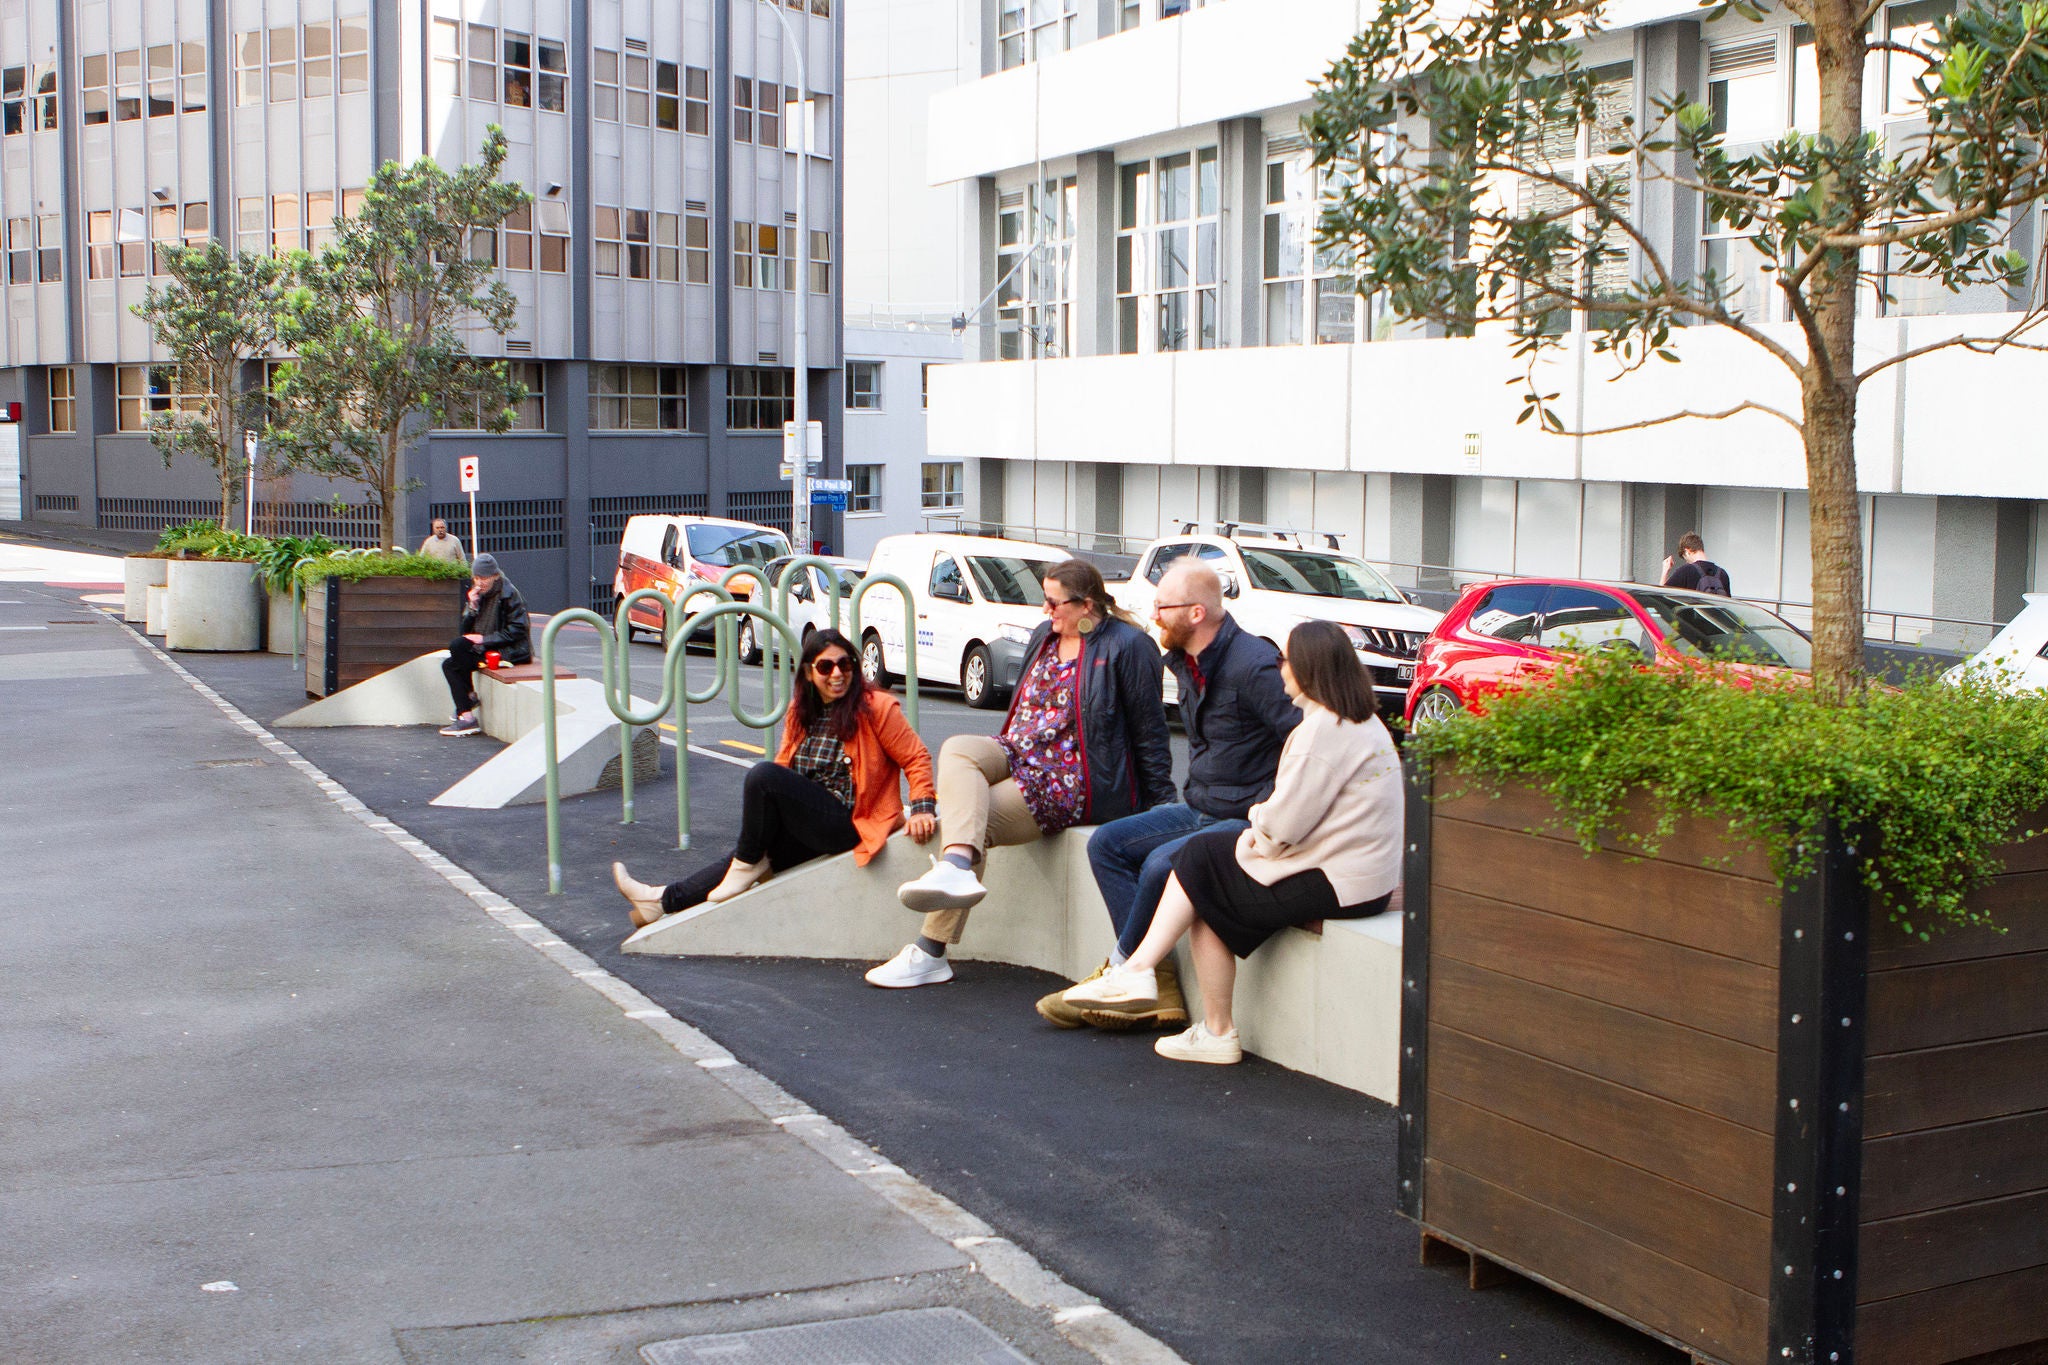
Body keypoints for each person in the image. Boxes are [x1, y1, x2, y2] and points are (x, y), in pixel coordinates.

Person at [1062, 620, 1403, 1065]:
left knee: (1202, 860)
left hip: (1340, 882)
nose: (1280, 668)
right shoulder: (1362, 722)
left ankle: (1149, 978)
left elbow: (1279, 828)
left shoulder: (1321, 731)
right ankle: (1188, 1010)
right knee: (1202, 877)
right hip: (1361, 879)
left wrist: (1254, 821)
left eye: (1286, 659)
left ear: (1307, 669)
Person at [867, 558, 1173, 989]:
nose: (1046, 611)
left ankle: (930, 951)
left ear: (1086, 605)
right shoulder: (1044, 635)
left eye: (1053, 603)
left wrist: (1160, 804)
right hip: (1018, 752)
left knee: (975, 818)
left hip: (1070, 778)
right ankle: (956, 866)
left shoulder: (1128, 646)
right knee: (957, 748)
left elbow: (1150, 731)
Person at [1045, 560, 1301, 1032]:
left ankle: (1122, 971)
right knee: (1108, 845)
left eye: (1163, 607)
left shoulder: (1252, 665)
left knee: (1165, 864)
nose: (1154, 615)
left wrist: (1276, 810)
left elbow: (1304, 739)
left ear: (1197, 613)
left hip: (1246, 817)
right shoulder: (1187, 662)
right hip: (1202, 807)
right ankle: (1153, 985)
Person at [611, 629, 937, 927]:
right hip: (808, 820)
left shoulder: (876, 707)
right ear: (809, 673)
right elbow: (787, 769)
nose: (838, 674)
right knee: (747, 850)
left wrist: (922, 807)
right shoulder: (801, 711)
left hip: (850, 822)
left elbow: (916, 757)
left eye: (846, 664)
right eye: (826, 667)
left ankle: (745, 864)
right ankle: (661, 901)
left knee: (762, 778)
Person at [439, 554, 530, 737]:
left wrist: (485, 639)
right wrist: (472, 607)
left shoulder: (509, 594)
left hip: (509, 652)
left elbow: (519, 629)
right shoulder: (479, 594)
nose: (479, 583)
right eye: (476, 578)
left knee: (455, 655)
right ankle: (467, 713)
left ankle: (467, 711)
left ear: (495, 576)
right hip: (488, 649)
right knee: (451, 660)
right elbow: (464, 631)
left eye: (484, 578)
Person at [1662, 532, 1731, 596]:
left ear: (1687, 551)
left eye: (1685, 558)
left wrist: (1665, 571)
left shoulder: (1686, 571)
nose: (1687, 562)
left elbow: (1662, 596)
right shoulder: (1723, 574)